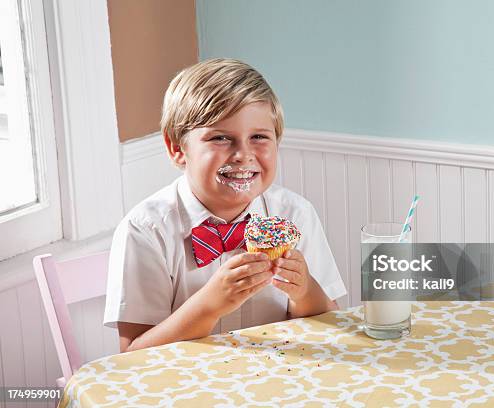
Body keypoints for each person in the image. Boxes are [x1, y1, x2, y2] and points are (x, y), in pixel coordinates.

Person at [103, 58, 347, 352]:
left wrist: (305, 289)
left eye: (258, 137)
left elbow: (330, 324)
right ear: (177, 149)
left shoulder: (295, 214)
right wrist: (210, 304)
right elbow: (134, 354)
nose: (243, 155)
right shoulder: (145, 231)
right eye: (220, 138)